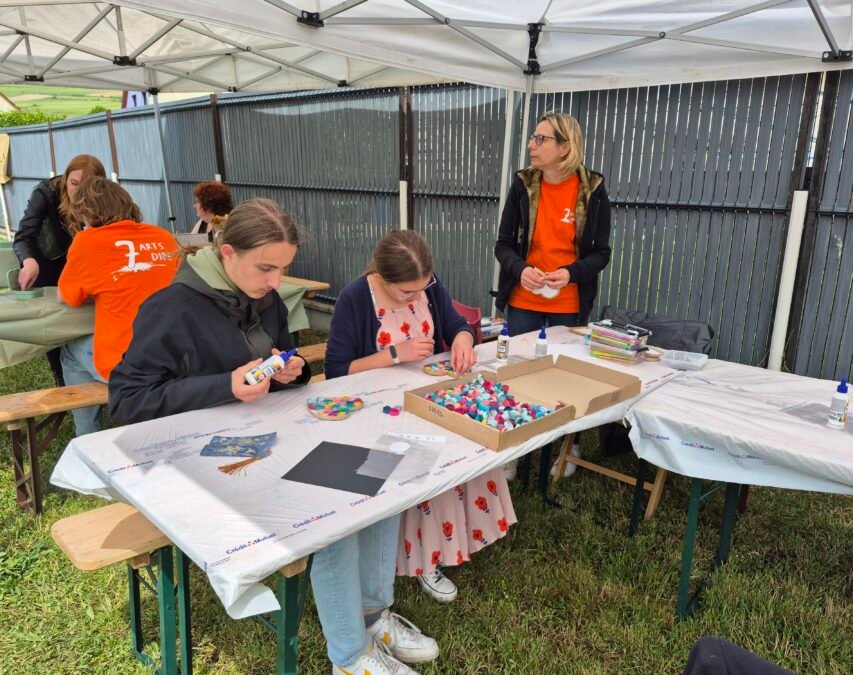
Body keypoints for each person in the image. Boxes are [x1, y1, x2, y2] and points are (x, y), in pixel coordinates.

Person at [110, 202, 434, 675]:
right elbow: (126, 401)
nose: (275, 281)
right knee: (336, 515)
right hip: (201, 465)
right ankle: (349, 655)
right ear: (226, 253)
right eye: (266, 268)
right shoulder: (170, 308)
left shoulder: (265, 298)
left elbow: (278, 362)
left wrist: (292, 371)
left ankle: (372, 615)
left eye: (283, 268)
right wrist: (224, 386)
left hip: (269, 442)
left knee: (379, 477)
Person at [325, 230, 518, 606]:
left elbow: (455, 324)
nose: (416, 297)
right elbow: (336, 371)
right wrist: (394, 354)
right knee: (424, 464)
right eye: (406, 293)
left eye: (421, 289)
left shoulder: (429, 287)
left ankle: (458, 539)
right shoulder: (355, 298)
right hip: (381, 410)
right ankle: (425, 556)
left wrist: (463, 339)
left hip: (430, 396)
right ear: (381, 276)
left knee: (466, 446)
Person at [494, 111, 612, 479]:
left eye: (540, 139)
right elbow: (503, 245)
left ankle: (566, 447)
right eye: (533, 138)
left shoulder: (592, 188)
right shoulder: (523, 184)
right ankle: (513, 445)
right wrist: (520, 270)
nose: (531, 145)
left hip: (569, 303)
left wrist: (570, 274)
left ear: (565, 147)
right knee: (518, 373)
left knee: (565, 378)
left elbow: (601, 253)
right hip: (523, 300)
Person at [57, 177, 179, 436]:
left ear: (85, 212)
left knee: (69, 350)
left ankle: (88, 438)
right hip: (176, 356)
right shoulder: (163, 236)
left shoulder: (88, 241)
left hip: (129, 363)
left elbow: (66, 295)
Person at [12, 154, 106, 386]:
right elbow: (24, 236)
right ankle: (61, 379)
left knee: (90, 319)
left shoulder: (105, 197)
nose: (78, 191)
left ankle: (92, 369)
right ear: (65, 179)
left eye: (86, 186)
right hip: (48, 264)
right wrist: (29, 261)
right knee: (55, 327)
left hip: (86, 264)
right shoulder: (45, 192)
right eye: (74, 184)